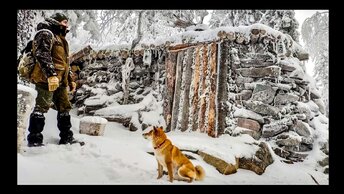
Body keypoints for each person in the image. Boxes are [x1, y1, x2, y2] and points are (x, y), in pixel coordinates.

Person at [27, 13, 84, 147]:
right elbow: (42, 54)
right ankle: (34, 139)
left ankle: (66, 138)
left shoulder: (61, 39)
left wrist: (70, 79)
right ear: (56, 22)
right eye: (64, 22)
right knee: (41, 107)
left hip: (60, 81)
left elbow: (65, 63)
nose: (67, 25)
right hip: (45, 80)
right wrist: (51, 75)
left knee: (65, 107)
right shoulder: (45, 33)